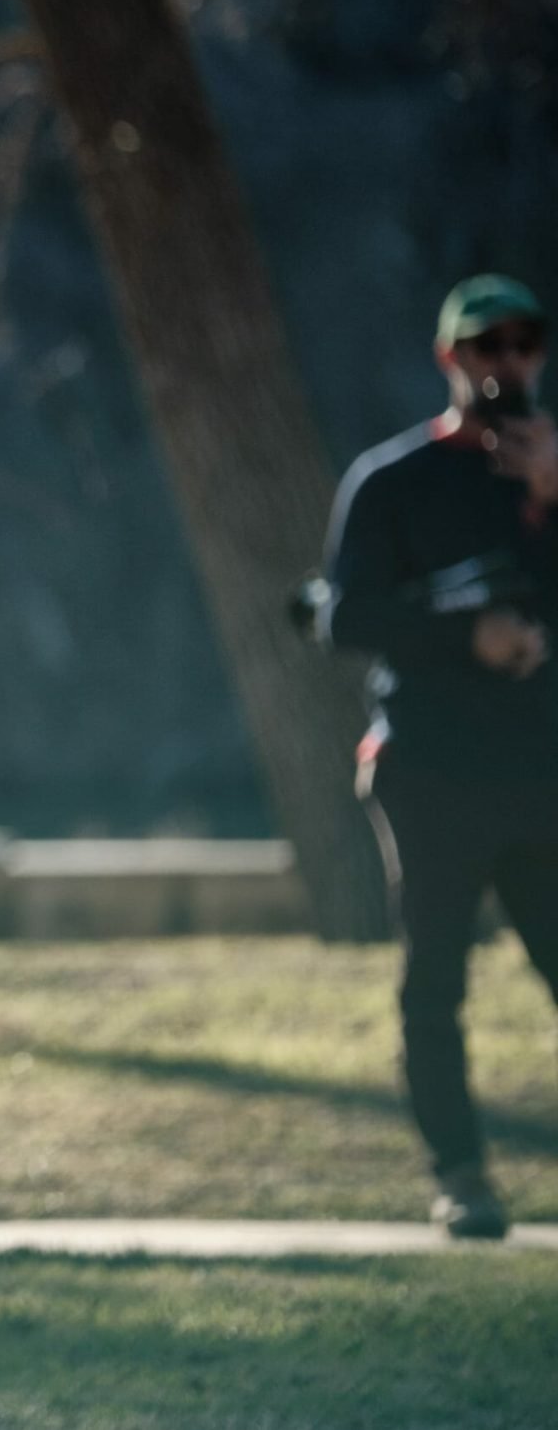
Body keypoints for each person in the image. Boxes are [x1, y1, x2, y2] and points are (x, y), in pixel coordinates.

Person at [320, 272, 558, 1242]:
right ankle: (460, 1175)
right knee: (435, 982)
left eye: (521, 343)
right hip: (431, 772)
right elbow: (345, 617)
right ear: (448, 359)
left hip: (544, 775)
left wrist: (548, 496)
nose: (504, 362)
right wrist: (470, 639)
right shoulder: (393, 481)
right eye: (483, 345)